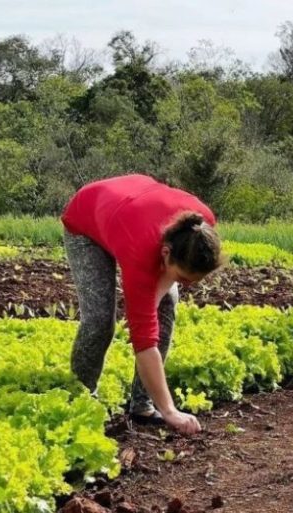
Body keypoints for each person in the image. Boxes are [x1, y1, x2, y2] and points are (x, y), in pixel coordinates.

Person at [61, 174, 224, 435]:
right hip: (86, 219)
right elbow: (144, 342)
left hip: (129, 210)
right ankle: (81, 400)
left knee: (168, 303)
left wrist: (161, 293)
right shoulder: (140, 251)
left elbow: (162, 292)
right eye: (182, 278)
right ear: (165, 254)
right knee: (100, 320)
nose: (187, 285)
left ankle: (142, 405)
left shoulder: (201, 228)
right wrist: (171, 411)